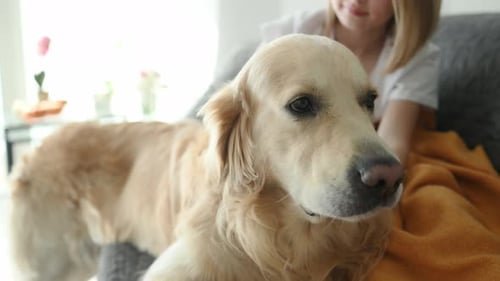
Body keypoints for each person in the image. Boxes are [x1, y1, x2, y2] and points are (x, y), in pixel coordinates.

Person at [260, 0, 441, 166]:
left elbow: (393, 140)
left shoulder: (415, 58)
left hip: (375, 145)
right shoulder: (296, 29)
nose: (356, 1)